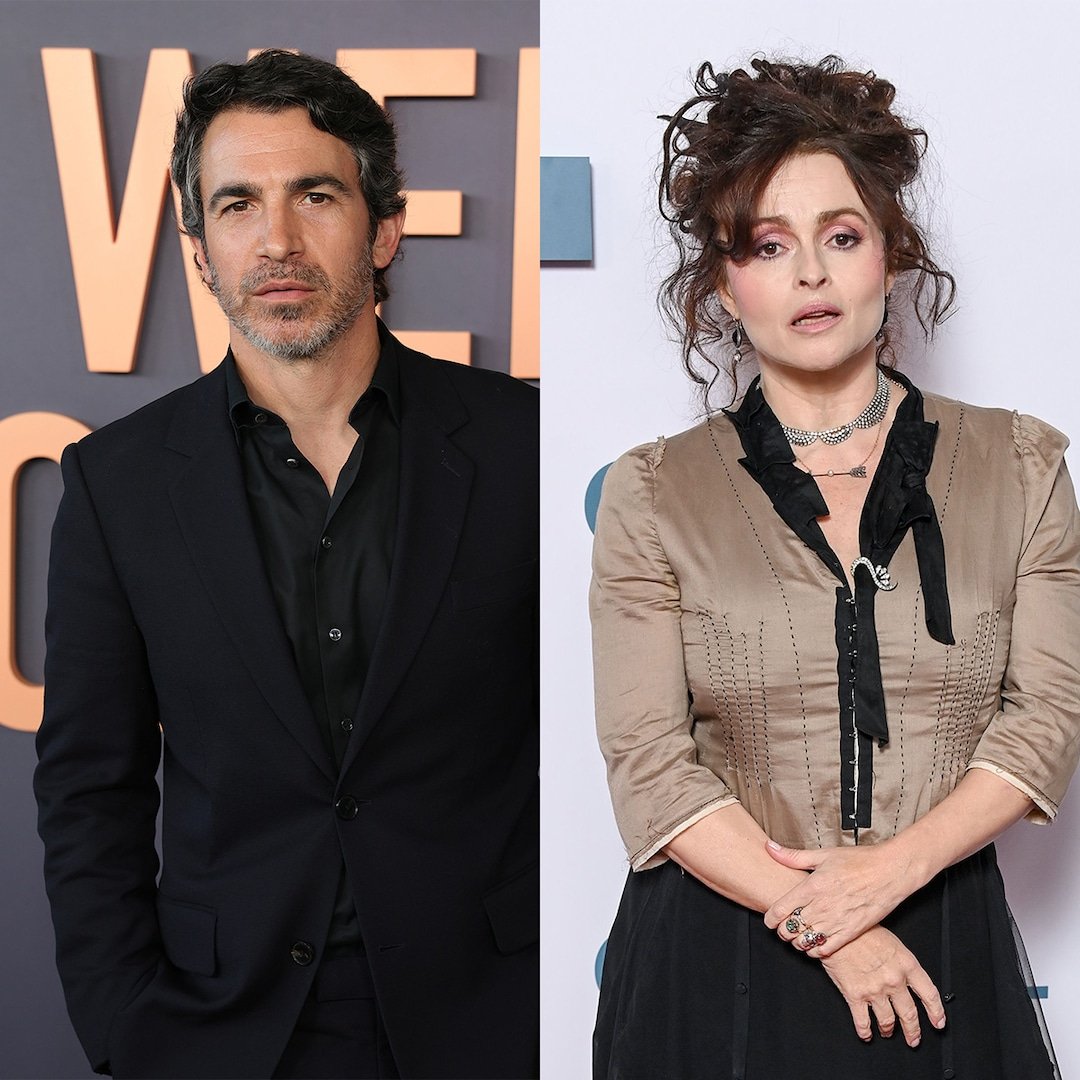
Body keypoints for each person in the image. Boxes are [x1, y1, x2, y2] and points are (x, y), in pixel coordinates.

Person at [34, 49, 537, 1080]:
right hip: (223, 1028)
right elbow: (90, 786)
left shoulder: (522, 445)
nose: (277, 241)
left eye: (315, 194)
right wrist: (126, 1025)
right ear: (197, 248)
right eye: (237, 205)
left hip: (489, 1018)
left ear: (383, 227)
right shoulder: (118, 483)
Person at [590, 56, 1078, 1079]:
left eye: (842, 236)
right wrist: (829, 922)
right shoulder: (655, 490)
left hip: (939, 932)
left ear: (891, 259)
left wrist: (887, 876)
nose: (810, 274)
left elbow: (1046, 720)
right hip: (716, 948)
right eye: (769, 245)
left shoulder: (1022, 465)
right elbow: (649, 762)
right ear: (724, 285)